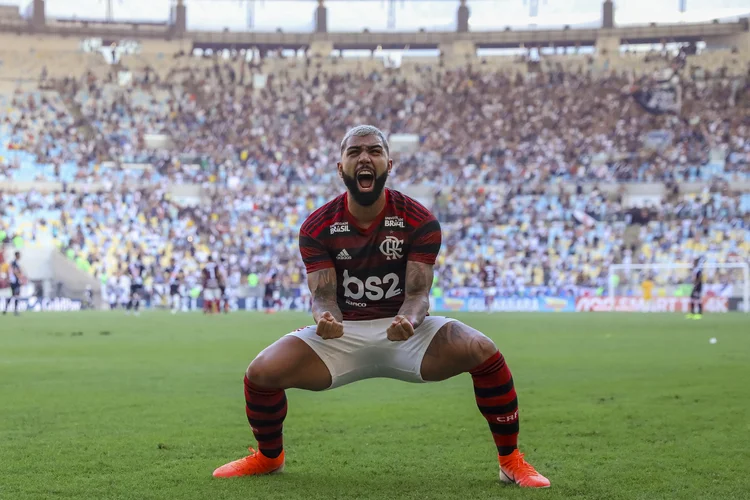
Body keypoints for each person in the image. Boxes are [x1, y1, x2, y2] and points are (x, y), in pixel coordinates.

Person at [212, 125, 550, 488]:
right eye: (354, 152)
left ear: (389, 163)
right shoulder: (317, 225)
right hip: (342, 335)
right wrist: (325, 319)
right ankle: (269, 457)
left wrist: (407, 319)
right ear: (340, 167)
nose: (364, 158)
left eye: (373, 151)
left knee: (481, 350)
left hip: (407, 332)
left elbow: (419, 293)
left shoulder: (418, 220)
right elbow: (324, 295)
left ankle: (510, 460)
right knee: (261, 373)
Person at [3, 251, 23, 316]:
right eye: (19, 255)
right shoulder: (14, 263)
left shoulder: (15, 263)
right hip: (15, 282)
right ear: (17, 255)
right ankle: (15, 310)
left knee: (13, 296)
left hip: (14, 281)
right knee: (16, 295)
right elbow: (14, 271)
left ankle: (6, 309)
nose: (20, 256)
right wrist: (19, 276)